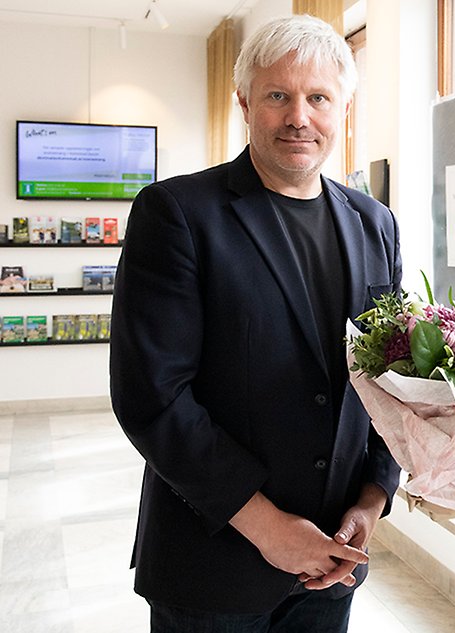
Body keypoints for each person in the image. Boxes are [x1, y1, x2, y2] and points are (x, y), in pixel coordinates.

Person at [110, 14, 401, 632]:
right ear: (244, 102)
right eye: (278, 96)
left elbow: (391, 380)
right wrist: (269, 529)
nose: (299, 116)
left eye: (318, 97)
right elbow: (152, 396)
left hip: (334, 561)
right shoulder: (178, 214)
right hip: (213, 563)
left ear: (343, 108)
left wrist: (373, 499)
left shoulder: (375, 224)